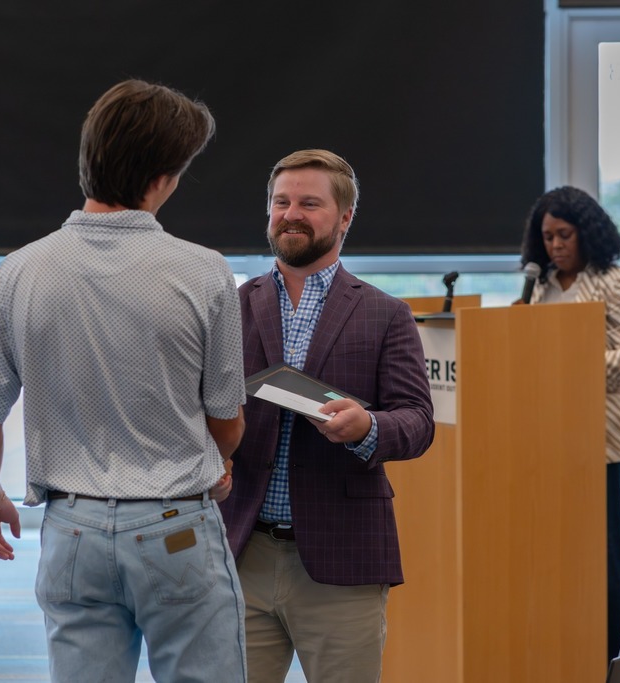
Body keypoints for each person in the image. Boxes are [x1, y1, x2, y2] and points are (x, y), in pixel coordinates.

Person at [0, 79, 247, 683]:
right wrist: (218, 465)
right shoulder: (204, 272)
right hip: (177, 532)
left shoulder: (18, 273)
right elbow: (227, 422)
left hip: (71, 532)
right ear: (163, 176)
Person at [220, 149, 435, 683]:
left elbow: (418, 421)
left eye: (309, 203)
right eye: (281, 202)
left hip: (344, 558)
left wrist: (368, 428)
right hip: (241, 550)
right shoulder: (227, 306)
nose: (291, 214)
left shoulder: (387, 314)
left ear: (345, 217)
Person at [519, 186, 620, 669]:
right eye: (547, 236)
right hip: (543, 437)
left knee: (606, 557)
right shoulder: (541, 286)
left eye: (564, 234)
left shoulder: (616, 281)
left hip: (599, 438)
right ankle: (569, 652)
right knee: (559, 555)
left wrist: (568, 361)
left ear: (587, 232)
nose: (554, 245)